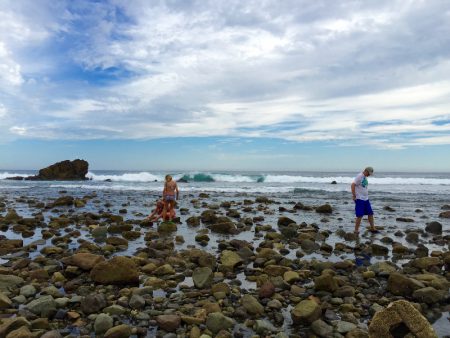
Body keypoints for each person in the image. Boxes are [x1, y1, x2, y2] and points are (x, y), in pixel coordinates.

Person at [351, 166, 377, 234]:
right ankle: (356, 230)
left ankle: (372, 228)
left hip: (366, 199)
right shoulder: (359, 176)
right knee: (360, 215)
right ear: (366, 171)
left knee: (370, 213)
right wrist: (354, 195)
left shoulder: (364, 177)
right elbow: (353, 185)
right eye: (369, 173)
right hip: (360, 199)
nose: (369, 175)